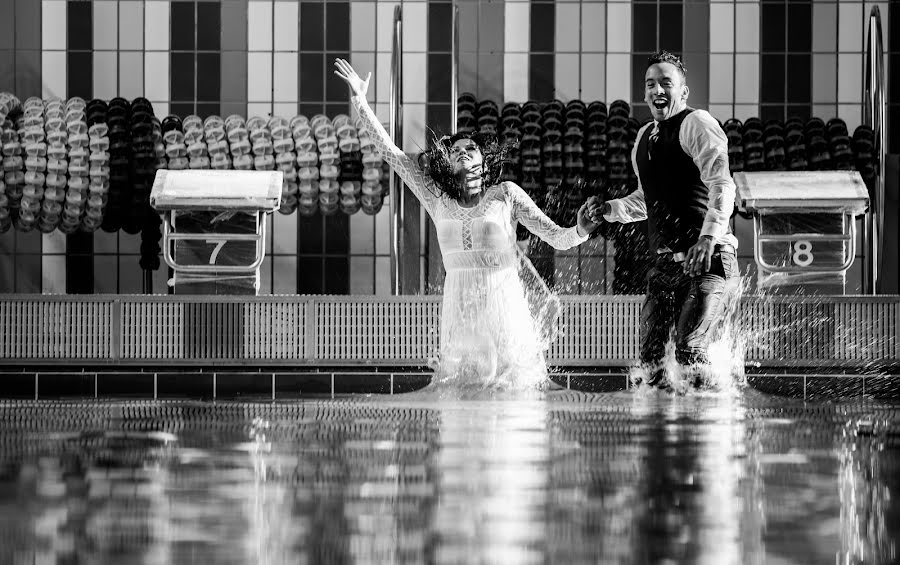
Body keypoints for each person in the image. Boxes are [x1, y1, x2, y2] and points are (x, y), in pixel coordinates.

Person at [334, 58, 600, 391]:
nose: (463, 152)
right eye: (455, 149)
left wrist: (580, 230)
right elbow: (391, 153)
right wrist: (360, 101)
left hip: (504, 306)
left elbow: (556, 238)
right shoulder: (436, 198)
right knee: (459, 394)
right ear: (447, 161)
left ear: (484, 162)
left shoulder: (505, 195)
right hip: (459, 306)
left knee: (512, 394)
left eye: (470, 148)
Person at [587, 50, 739, 390]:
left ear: (683, 92)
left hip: (710, 262)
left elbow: (722, 184)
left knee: (689, 350)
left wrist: (708, 238)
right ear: (644, 93)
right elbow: (646, 202)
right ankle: (663, 437)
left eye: (666, 83)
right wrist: (607, 210)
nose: (658, 90)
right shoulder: (644, 138)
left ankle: (712, 429)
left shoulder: (696, 124)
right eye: (650, 84)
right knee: (651, 364)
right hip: (666, 269)